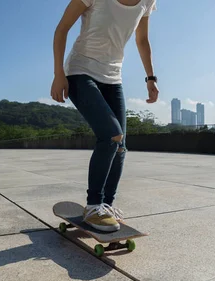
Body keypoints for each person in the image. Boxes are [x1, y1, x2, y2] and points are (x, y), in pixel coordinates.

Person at [50, 0, 159, 232]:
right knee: (111, 136)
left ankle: (106, 206)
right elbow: (62, 28)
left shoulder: (148, 1)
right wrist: (59, 73)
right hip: (81, 71)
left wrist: (151, 78)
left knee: (121, 146)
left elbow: (142, 39)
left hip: (112, 77)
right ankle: (93, 206)